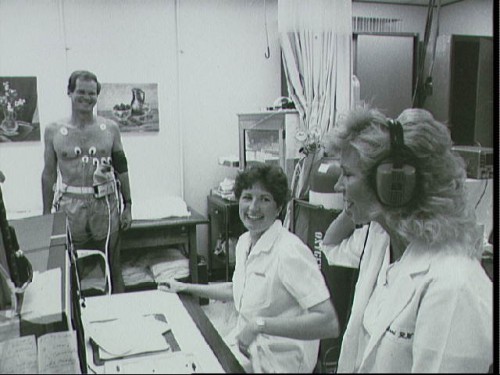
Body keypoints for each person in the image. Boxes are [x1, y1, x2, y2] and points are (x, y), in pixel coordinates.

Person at [321, 107, 492, 373]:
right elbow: (330, 247)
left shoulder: (454, 285)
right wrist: (356, 201)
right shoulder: (380, 240)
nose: (337, 185)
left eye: (348, 174)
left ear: (393, 182)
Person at [159, 163, 339, 373]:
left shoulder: (289, 252)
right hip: (248, 349)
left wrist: (258, 325)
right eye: (247, 197)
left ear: (279, 207)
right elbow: (237, 289)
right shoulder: (245, 242)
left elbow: (329, 323)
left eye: (265, 199)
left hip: (281, 363)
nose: (253, 208)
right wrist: (185, 287)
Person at [41, 70, 132, 294]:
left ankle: (120, 315)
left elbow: (122, 168)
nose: (86, 97)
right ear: (70, 93)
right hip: (70, 207)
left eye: (92, 93)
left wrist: (128, 205)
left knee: (113, 264)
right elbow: (49, 174)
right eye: (81, 91)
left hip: (105, 204)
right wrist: (46, 215)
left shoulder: (110, 128)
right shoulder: (54, 131)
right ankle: (76, 322)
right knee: (71, 267)